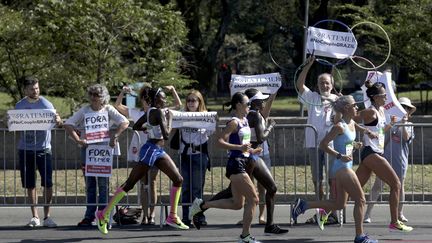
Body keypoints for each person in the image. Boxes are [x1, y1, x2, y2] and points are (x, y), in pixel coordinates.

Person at [95, 87, 189, 235]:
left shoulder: (150, 111)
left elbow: (137, 126)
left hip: (157, 151)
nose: (165, 101)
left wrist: (149, 127)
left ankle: (172, 216)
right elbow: (166, 135)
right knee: (130, 183)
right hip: (151, 150)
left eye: (165, 98)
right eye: (162, 98)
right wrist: (169, 119)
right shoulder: (157, 112)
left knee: (178, 179)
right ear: (155, 99)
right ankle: (103, 213)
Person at [292, 95, 378, 243]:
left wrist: (366, 135)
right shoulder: (339, 126)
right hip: (341, 168)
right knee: (361, 199)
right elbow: (323, 145)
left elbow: (358, 129)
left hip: (346, 166)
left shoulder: (351, 123)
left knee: (339, 204)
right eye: (354, 105)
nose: (357, 107)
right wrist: (339, 155)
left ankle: (304, 205)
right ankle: (360, 237)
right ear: (346, 108)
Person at [189, 92, 262, 243]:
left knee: (237, 204)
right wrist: (239, 147)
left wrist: (251, 151)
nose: (250, 106)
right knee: (254, 199)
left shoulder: (245, 121)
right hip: (235, 164)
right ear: (238, 105)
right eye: (248, 104)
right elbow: (219, 141)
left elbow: (244, 146)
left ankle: (202, 205)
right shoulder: (234, 122)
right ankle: (245, 236)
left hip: (243, 160)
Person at [114, 85, 182, 225]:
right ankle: (144, 215)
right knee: (137, 183)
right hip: (147, 150)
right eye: (143, 98)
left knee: (155, 181)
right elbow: (166, 134)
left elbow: (178, 105)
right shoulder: (146, 112)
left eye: (147, 97)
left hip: (156, 151)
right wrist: (167, 121)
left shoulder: (157, 111)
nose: (145, 101)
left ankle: (155, 215)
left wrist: (173, 90)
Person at [64, 84, 129, 227]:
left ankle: (104, 215)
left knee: (103, 185)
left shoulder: (108, 109)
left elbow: (124, 122)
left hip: (104, 152)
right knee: (90, 185)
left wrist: (115, 135)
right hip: (88, 151)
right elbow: (68, 124)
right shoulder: (84, 110)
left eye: (97, 95)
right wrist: (78, 140)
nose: (93, 98)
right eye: (91, 94)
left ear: (103, 97)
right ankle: (89, 216)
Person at [354, 81, 413, 232]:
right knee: (396, 184)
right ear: (375, 97)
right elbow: (350, 120)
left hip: (374, 153)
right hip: (371, 153)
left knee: (350, 190)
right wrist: (366, 132)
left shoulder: (380, 112)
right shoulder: (371, 112)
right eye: (384, 95)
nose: (387, 97)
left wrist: (390, 125)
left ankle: (319, 209)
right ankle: (394, 222)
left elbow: (379, 132)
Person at [296, 55, 339, 224]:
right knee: (317, 180)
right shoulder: (312, 97)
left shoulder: (337, 100)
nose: (324, 85)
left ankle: (332, 212)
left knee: (332, 179)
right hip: (313, 143)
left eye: (327, 83)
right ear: (317, 85)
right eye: (321, 83)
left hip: (330, 145)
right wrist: (308, 65)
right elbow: (299, 84)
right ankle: (321, 212)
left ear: (332, 85)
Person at [15, 76, 62, 228]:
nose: (35, 91)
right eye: (32, 89)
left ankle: (47, 216)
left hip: (43, 149)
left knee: (47, 183)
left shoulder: (46, 103)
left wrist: (58, 120)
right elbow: (11, 123)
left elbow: (58, 121)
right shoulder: (19, 105)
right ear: (25, 90)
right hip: (25, 149)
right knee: (30, 184)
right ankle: (35, 216)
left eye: (37, 88)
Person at [363, 97, 416, 223]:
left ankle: (399, 213)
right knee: (377, 186)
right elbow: (383, 138)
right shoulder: (389, 122)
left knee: (400, 186)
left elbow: (406, 137)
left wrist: (402, 124)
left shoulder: (409, 125)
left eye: (406, 108)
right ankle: (367, 214)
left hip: (400, 160)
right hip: (386, 158)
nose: (403, 110)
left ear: (408, 112)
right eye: (401, 107)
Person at [173, 90, 214, 226]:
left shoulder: (205, 116)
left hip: (199, 155)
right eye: (189, 100)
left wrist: (212, 121)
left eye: (194, 100)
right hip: (185, 155)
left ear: (199, 102)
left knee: (197, 189)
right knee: (185, 188)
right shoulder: (182, 115)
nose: (191, 103)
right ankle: (185, 217)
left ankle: (198, 217)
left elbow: (210, 132)